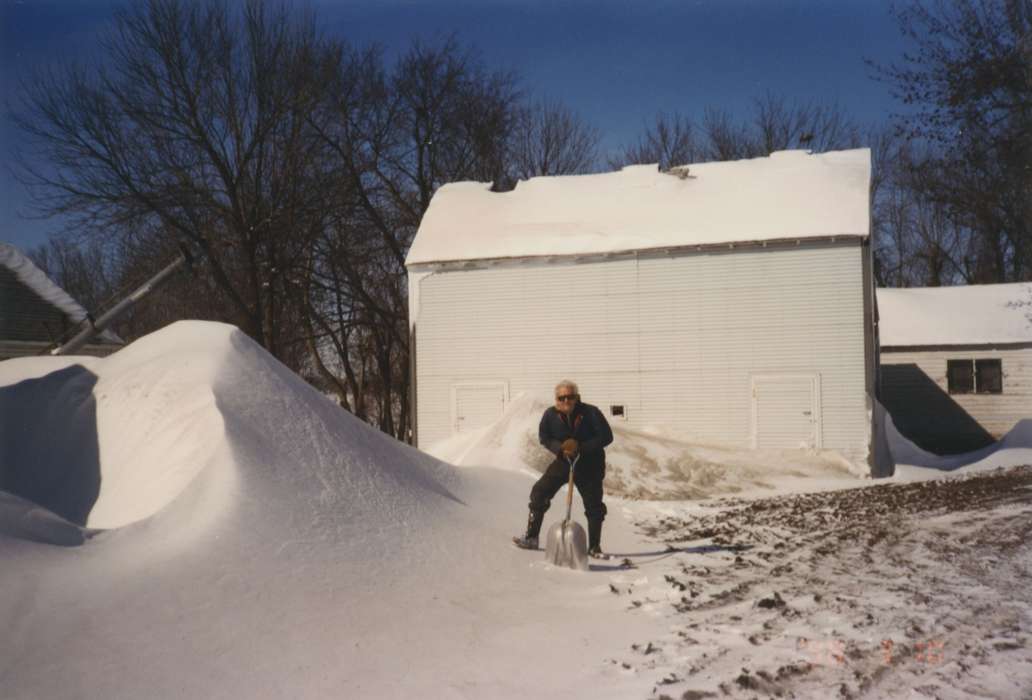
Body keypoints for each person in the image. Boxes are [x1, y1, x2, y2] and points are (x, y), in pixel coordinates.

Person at [513, 380, 614, 557]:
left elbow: (606, 436)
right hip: (564, 460)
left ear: (577, 398)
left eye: (570, 396)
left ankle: (594, 548)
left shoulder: (591, 413)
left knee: (594, 506)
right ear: (556, 399)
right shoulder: (550, 415)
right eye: (561, 397)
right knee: (540, 492)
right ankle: (531, 538)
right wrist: (560, 448)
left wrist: (581, 447)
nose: (565, 401)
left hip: (589, 464)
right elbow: (544, 437)